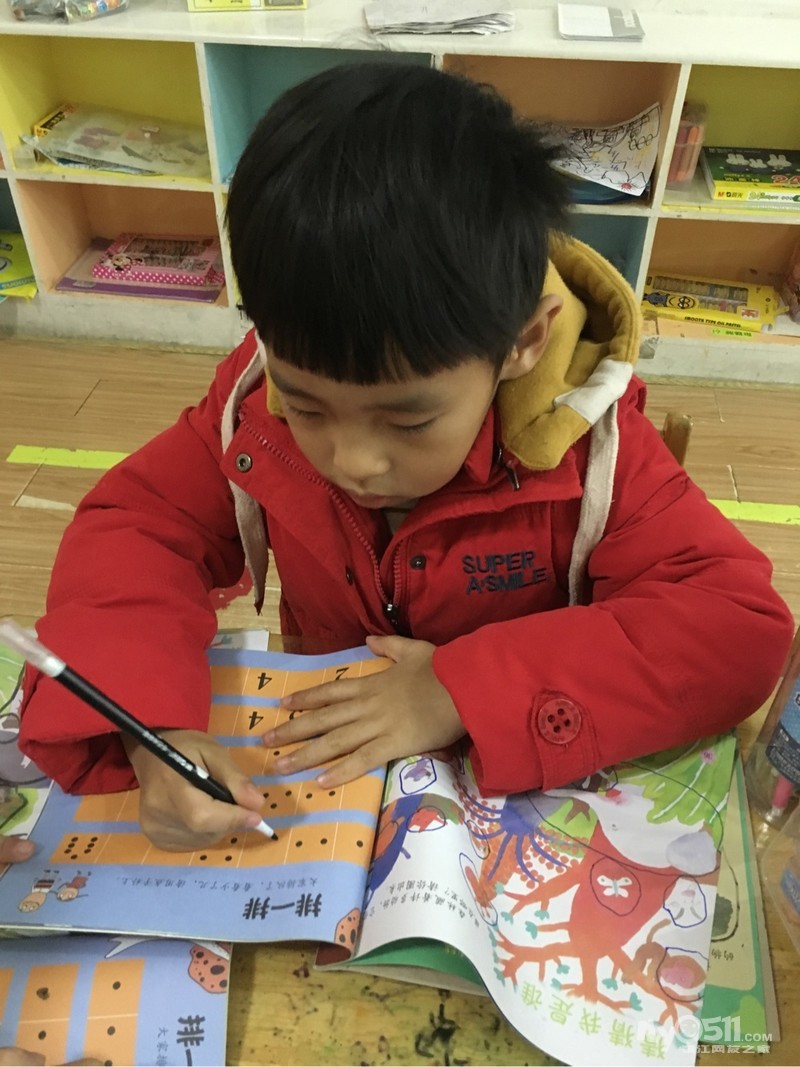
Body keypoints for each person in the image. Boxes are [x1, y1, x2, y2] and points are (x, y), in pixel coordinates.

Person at [17, 64, 793, 852]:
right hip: (323, 792)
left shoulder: (590, 445)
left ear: (522, 343)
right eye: (309, 405)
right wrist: (149, 725)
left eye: (409, 419)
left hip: (505, 797)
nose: (352, 460)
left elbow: (735, 629)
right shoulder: (254, 405)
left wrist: (462, 689)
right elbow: (138, 526)